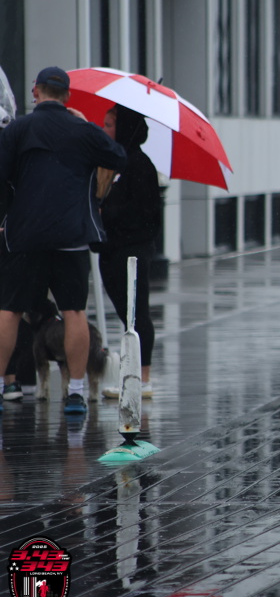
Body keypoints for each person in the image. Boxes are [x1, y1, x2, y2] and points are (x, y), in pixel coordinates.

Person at [0, 66, 127, 414]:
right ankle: (76, 392)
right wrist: (88, 125)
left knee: (10, 310)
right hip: (71, 235)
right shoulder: (81, 130)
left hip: (25, 235)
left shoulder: (19, 129)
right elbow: (118, 157)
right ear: (68, 96)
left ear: (35, 92)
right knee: (74, 311)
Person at [93, 104, 162, 399]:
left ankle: (142, 377)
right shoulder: (112, 164)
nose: (104, 130)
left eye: (109, 125)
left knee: (136, 314)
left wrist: (108, 213)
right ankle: (130, 374)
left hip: (131, 251)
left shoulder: (139, 165)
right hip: (111, 250)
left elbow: (144, 214)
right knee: (126, 314)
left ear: (123, 129)